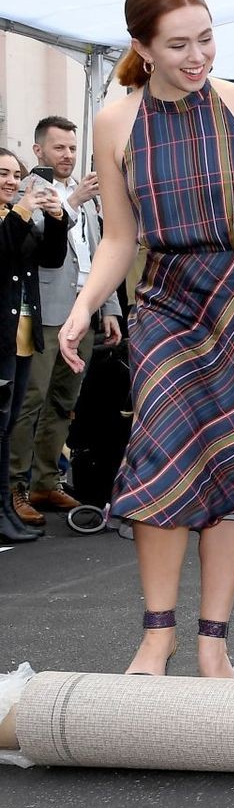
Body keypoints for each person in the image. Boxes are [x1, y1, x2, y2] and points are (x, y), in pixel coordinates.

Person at [57, 0, 234, 677]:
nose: (198, 55)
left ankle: (213, 641)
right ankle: (157, 635)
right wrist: (83, 306)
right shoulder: (116, 122)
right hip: (168, 299)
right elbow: (119, 237)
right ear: (142, 47)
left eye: (206, 38)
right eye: (178, 45)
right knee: (161, 455)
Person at [10, 116, 124, 530]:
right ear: (38, 150)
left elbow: (99, 253)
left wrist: (109, 307)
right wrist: (72, 201)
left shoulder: (86, 193)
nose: (68, 155)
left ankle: (46, 481)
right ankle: (15, 487)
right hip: (46, 312)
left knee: (64, 400)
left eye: (73, 148)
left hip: (83, 309)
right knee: (31, 400)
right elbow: (34, 238)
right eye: (59, 148)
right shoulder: (26, 189)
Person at [1, 149, 70, 544]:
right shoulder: (14, 216)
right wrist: (24, 207)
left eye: (16, 174)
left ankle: (6, 509)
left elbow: (51, 258)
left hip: (23, 338)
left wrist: (57, 220)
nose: (12, 181)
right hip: (3, 336)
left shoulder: (17, 215)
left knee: (8, 425)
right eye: (3, 174)